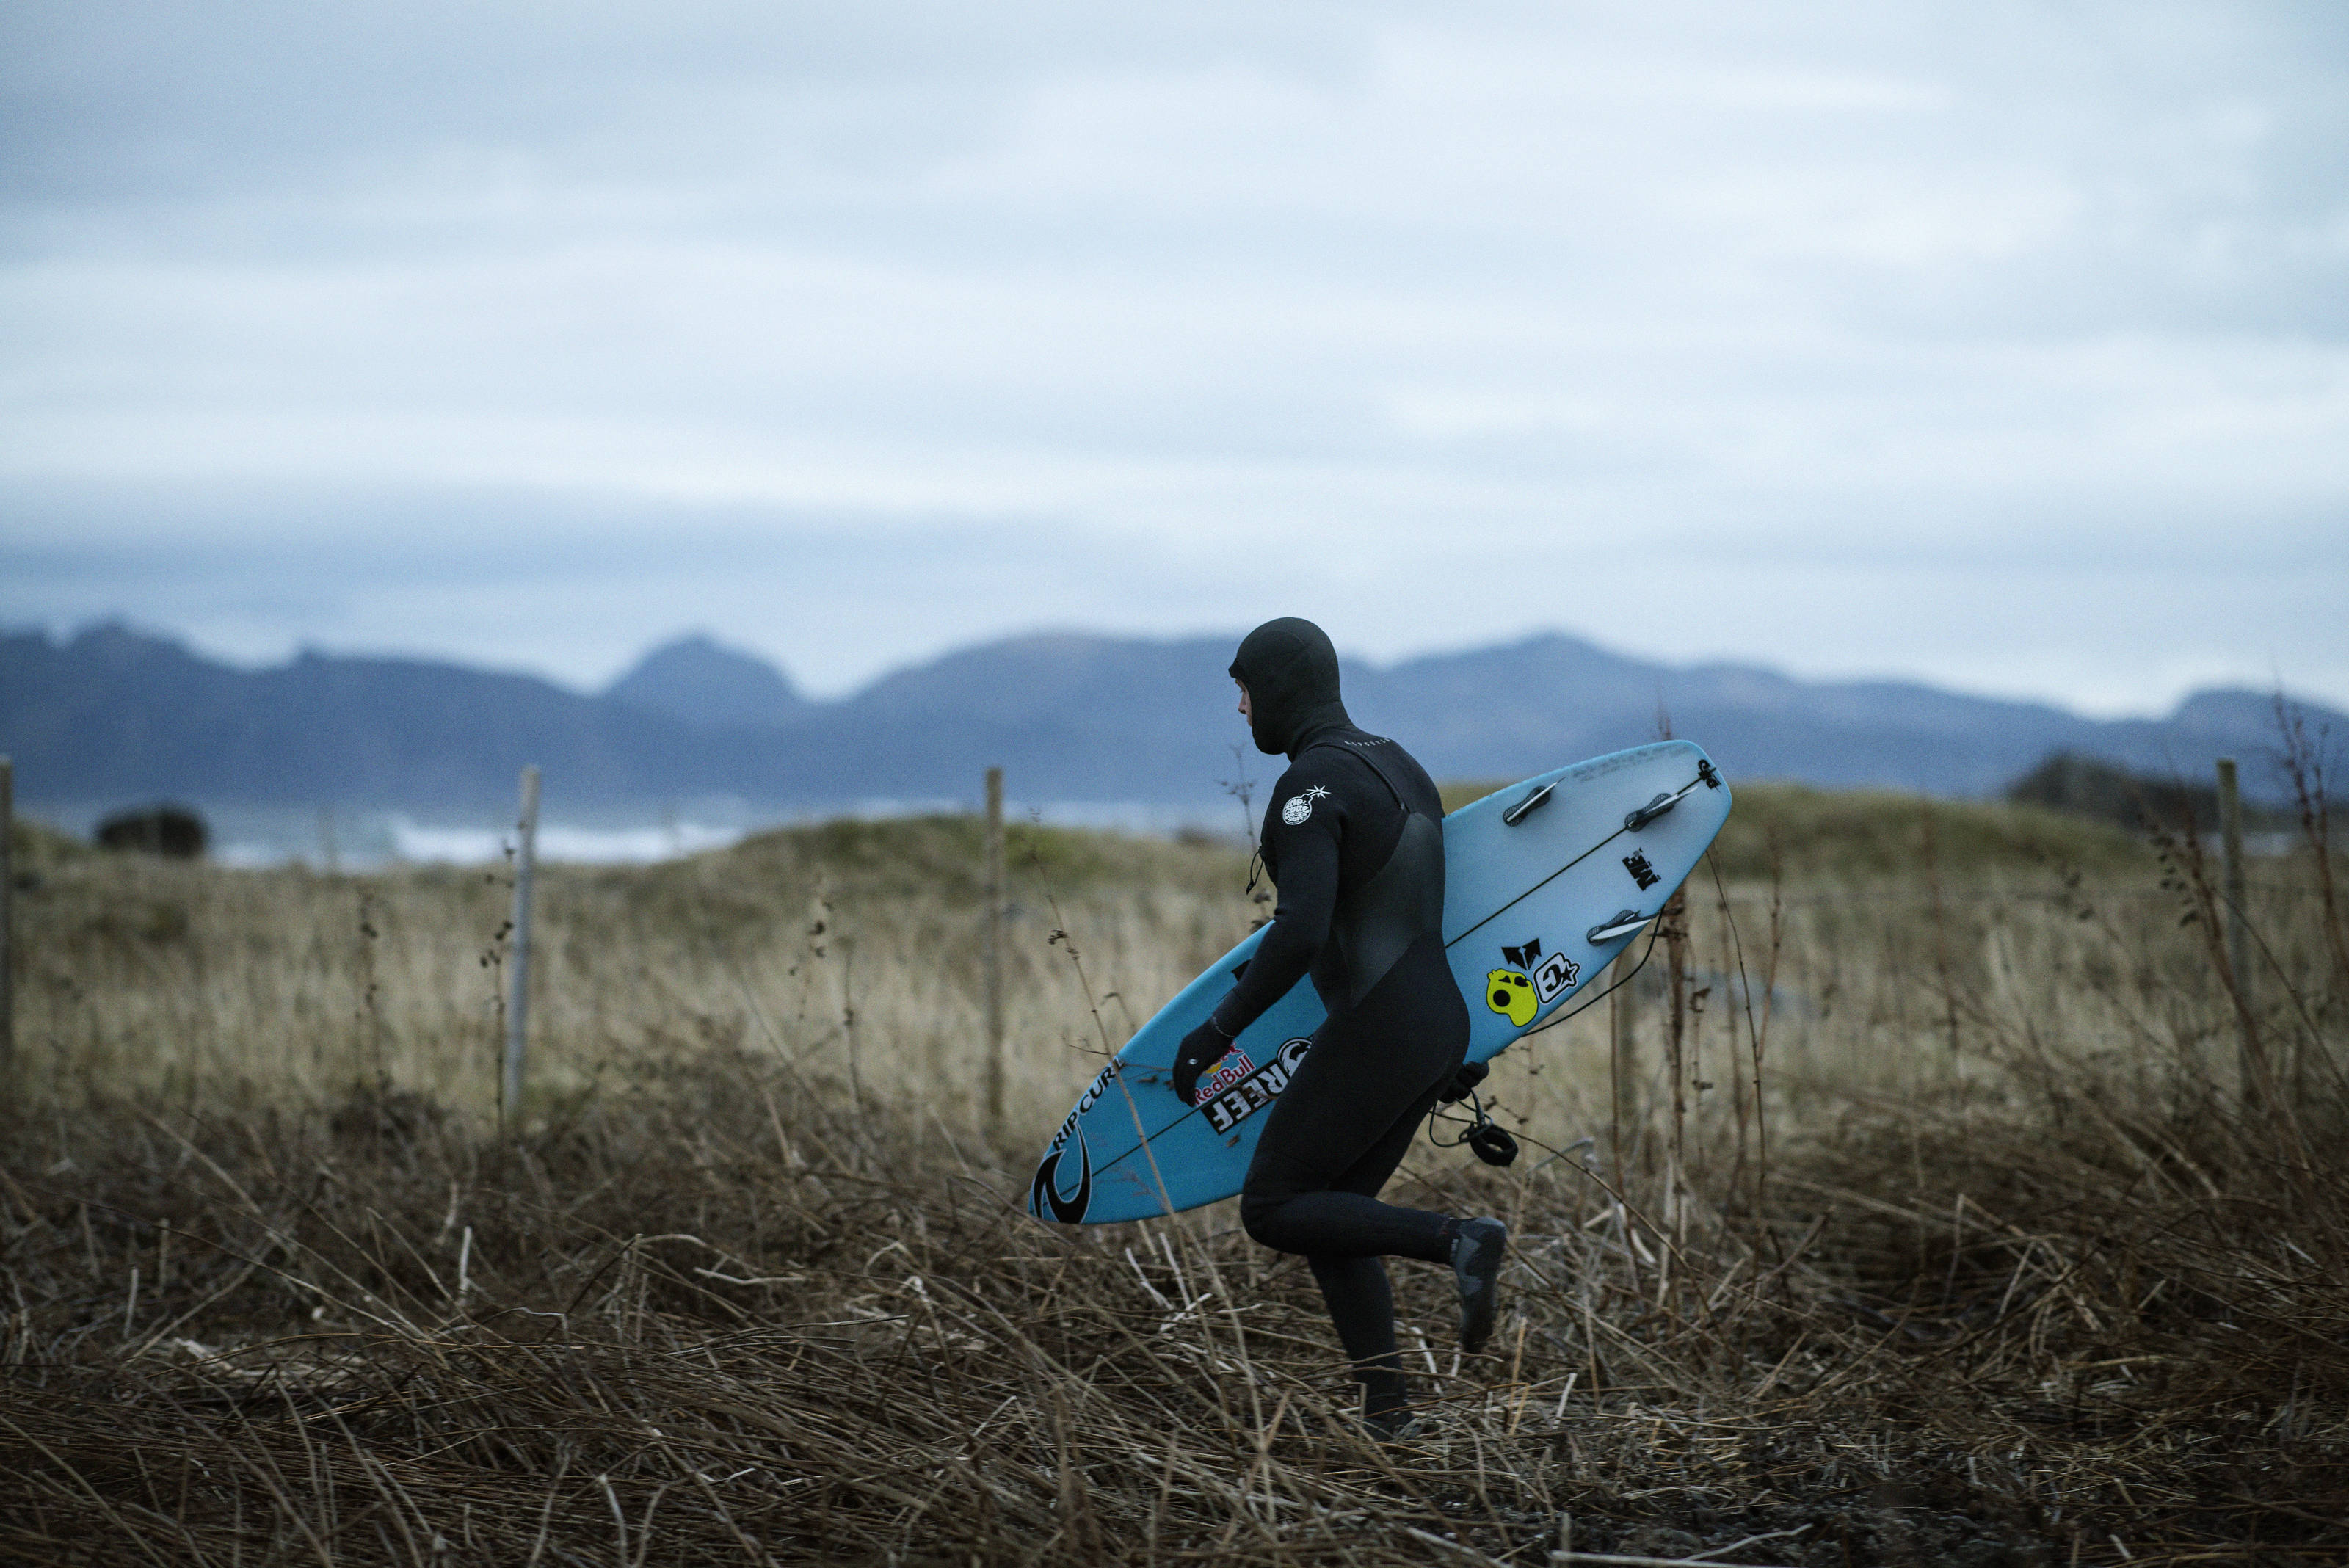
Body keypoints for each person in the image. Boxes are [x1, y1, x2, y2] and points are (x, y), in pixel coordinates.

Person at [1169, 617, 1506, 1437]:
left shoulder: (1306, 787)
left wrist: (1216, 1034)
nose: (1241, 711)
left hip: (1378, 1023)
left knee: (1274, 1205)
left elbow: (1299, 930)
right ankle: (1388, 1415)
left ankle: (1458, 1238)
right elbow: (1425, 913)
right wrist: (1446, 1049)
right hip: (1431, 1025)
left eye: (1244, 690)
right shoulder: (1400, 765)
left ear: (1279, 688)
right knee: (1332, 1215)